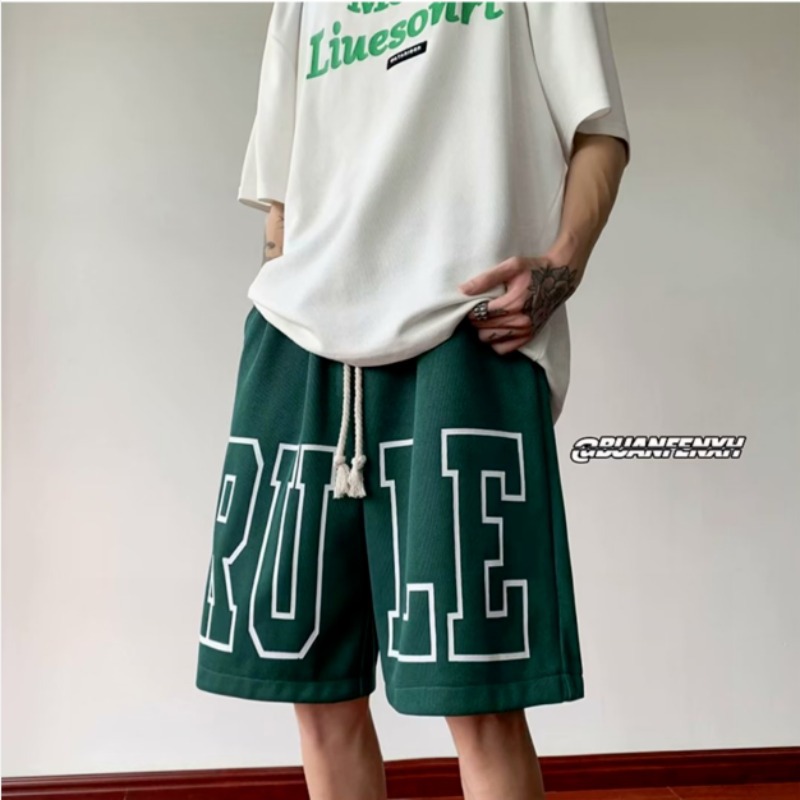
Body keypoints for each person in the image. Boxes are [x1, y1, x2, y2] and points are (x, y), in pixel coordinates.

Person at [196, 2, 630, 798]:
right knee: (316, 694)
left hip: (466, 332)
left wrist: (561, 269)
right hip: (298, 342)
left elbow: (598, 129)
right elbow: (281, 193)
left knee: (481, 700)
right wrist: (276, 295)